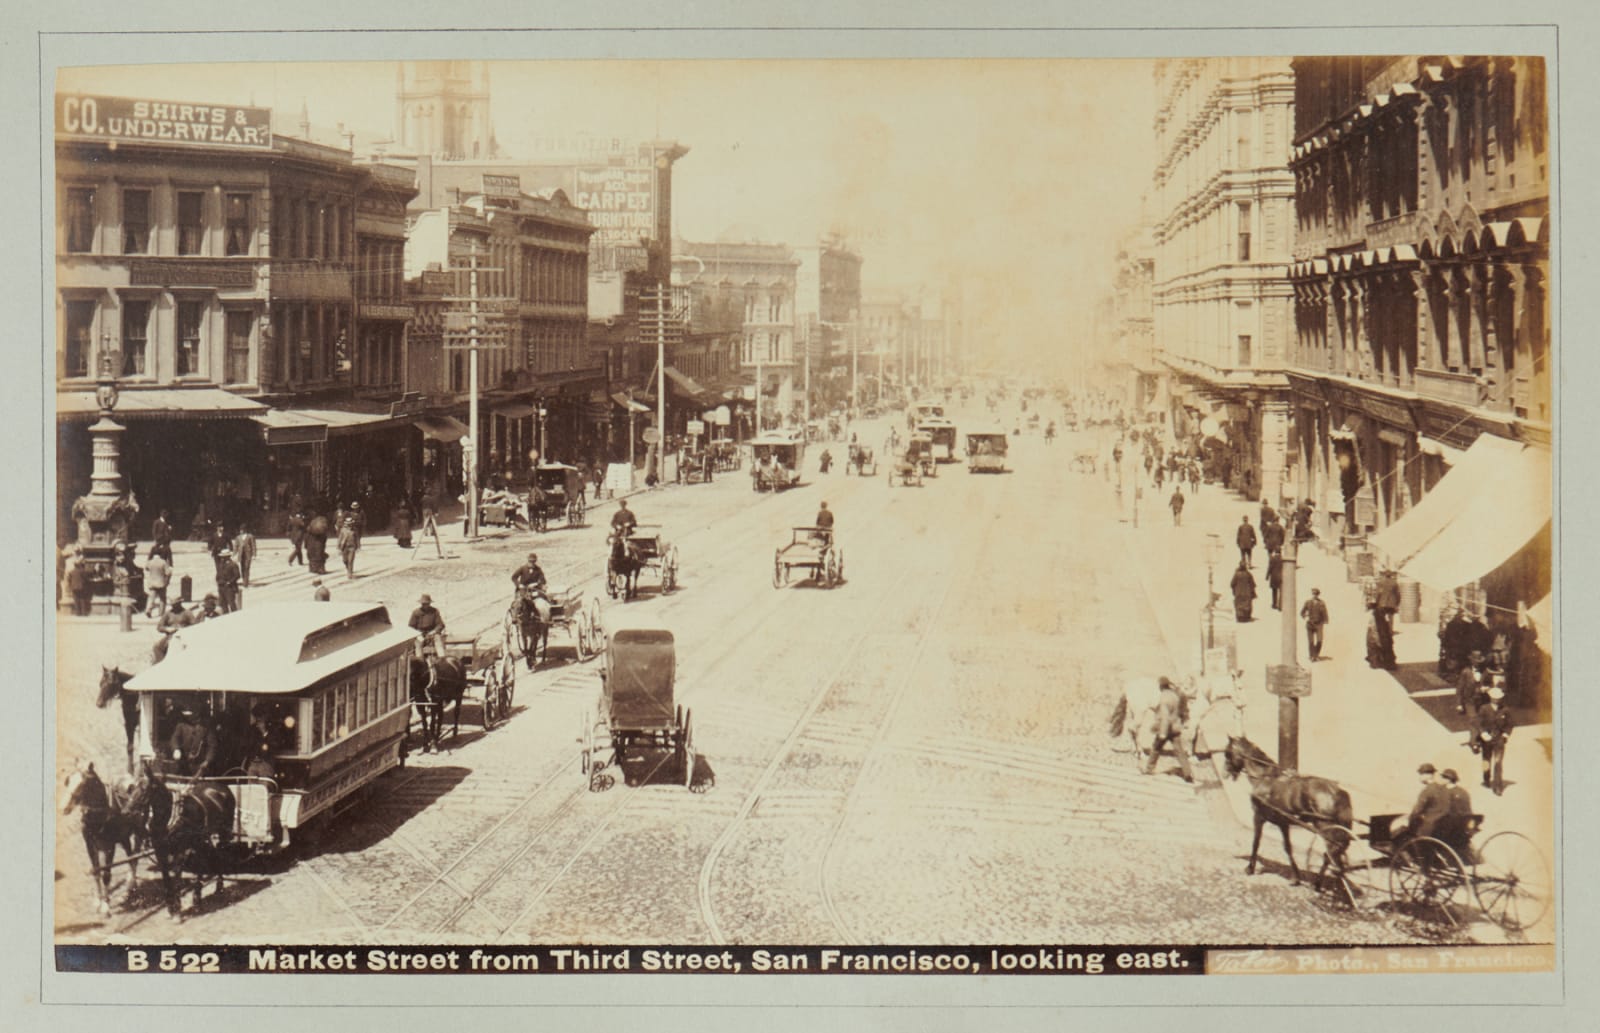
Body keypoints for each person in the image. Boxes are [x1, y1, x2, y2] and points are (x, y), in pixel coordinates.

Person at [1143, 677, 1195, 782]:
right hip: (1175, 727)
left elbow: (1165, 717)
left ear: (1161, 686)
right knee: (1179, 751)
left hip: (1166, 728)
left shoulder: (1164, 698)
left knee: (1156, 748)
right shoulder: (1174, 695)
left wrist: (1163, 733)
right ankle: (1188, 773)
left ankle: (1149, 769)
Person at [1395, 763, 1451, 847]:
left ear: (1427, 775)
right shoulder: (1444, 789)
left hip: (1428, 829)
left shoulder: (1427, 791)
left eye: (1421, 774)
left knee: (1400, 835)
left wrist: (1409, 821)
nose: (1420, 777)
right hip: (1442, 829)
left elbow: (1417, 811)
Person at [1471, 684, 1513, 794]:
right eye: (1495, 698)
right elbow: (1478, 723)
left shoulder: (1505, 710)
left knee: (1498, 762)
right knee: (1486, 760)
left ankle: (1498, 786)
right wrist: (1483, 733)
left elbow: (1510, 724)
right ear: (1491, 698)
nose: (1497, 700)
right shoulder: (1484, 709)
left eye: (1499, 698)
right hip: (1486, 739)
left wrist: (1506, 734)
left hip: (1499, 739)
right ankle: (1486, 779)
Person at [168, 706, 219, 778]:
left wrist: (207, 761)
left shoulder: (206, 728)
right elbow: (174, 738)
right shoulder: (181, 726)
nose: (188, 717)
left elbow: (212, 746)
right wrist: (176, 749)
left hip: (200, 767)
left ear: (197, 714)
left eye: (190, 715)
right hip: (184, 765)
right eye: (186, 716)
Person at [1374, 567, 1401, 668]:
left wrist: (1377, 602)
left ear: (1384, 575)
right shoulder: (1394, 583)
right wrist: (1397, 604)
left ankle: (1386, 629)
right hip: (1392, 605)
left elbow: (1378, 594)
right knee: (1391, 619)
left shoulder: (1381, 582)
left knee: (1382, 621)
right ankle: (1390, 629)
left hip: (1382, 605)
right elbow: (1398, 595)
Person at [409, 593, 447, 657]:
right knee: (418, 644)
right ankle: (420, 661)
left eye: (427, 604)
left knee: (438, 640)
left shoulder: (434, 611)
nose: (425, 605)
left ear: (429, 603)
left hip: (432, 634)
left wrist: (434, 631)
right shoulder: (416, 612)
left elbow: (440, 624)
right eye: (423, 604)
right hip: (420, 635)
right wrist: (417, 635)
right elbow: (411, 627)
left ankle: (442, 659)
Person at [1301, 588, 1330, 662]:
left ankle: (1316, 655)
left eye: (1316, 594)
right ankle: (1312, 656)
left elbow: (1325, 613)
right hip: (1310, 624)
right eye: (1313, 594)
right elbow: (1302, 612)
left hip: (1319, 624)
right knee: (1311, 642)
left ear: (1318, 595)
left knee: (1319, 640)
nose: (1315, 596)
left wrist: (1325, 620)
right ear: (1312, 594)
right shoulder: (1307, 602)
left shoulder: (1321, 603)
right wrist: (1305, 615)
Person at [143, 545, 171, 620]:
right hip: (161, 583)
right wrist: (167, 580)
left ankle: (148, 610)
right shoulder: (163, 562)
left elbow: (146, 568)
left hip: (152, 583)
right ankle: (161, 613)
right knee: (162, 599)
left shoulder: (150, 562)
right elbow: (168, 573)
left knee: (151, 598)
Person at [215, 548, 242, 613]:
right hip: (221, 586)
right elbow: (218, 573)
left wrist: (230, 582)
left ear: (227, 557)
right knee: (223, 604)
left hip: (229, 587)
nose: (222, 558)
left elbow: (237, 575)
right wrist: (217, 580)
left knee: (231, 603)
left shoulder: (233, 564)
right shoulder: (220, 564)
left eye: (223, 557)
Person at [337, 510, 360, 580]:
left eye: (350, 523)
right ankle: (348, 569)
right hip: (344, 547)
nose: (350, 525)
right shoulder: (343, 530)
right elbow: (340, 539)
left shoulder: (354, 530)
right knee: (345, 560)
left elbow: (357, 539)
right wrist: (338, 547)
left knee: (350, 561)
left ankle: (350, 573)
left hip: (352, 547)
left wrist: (358, 546)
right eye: (348, 523)